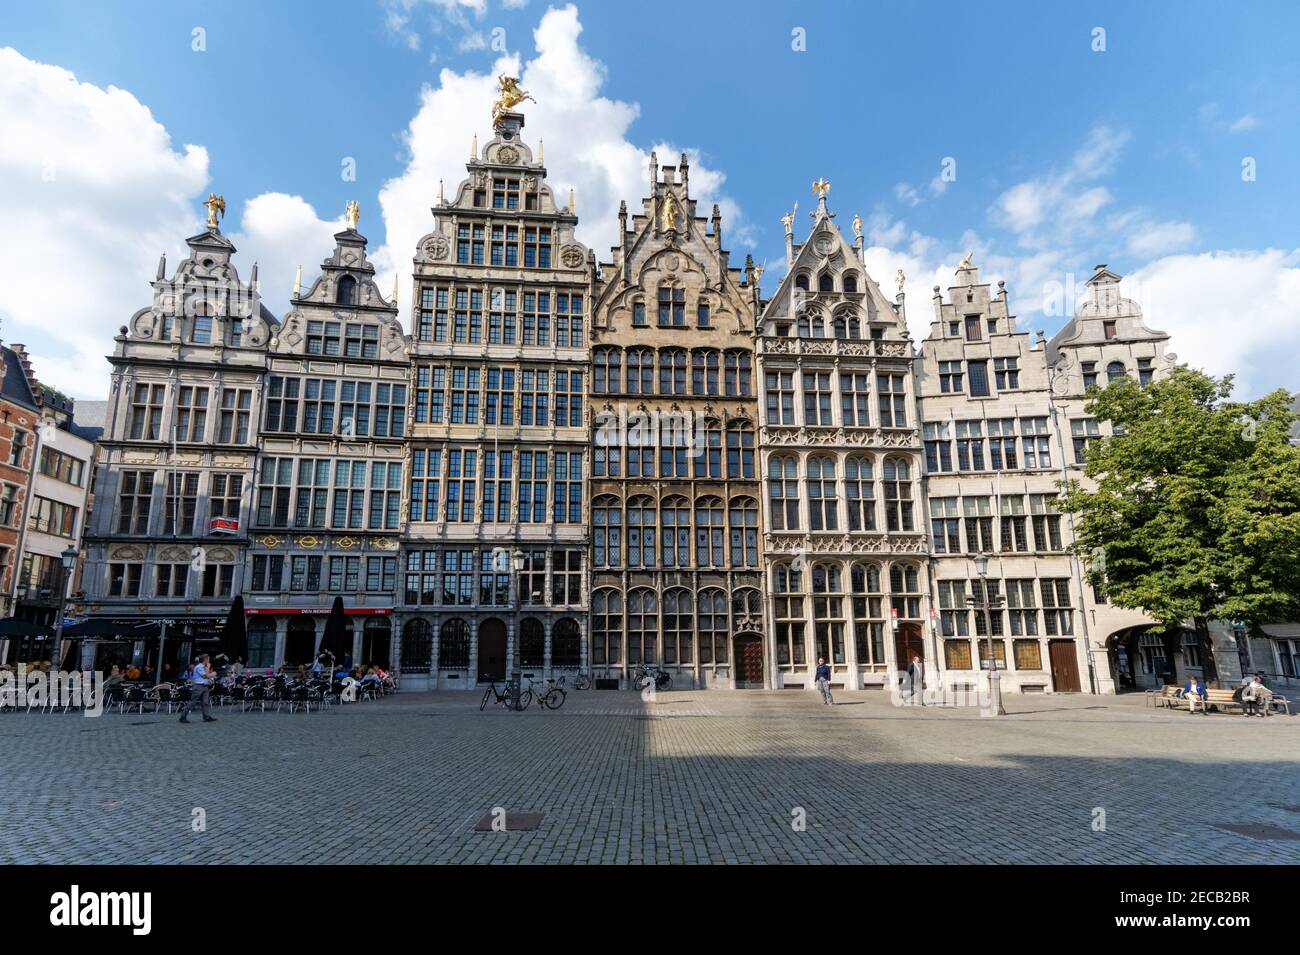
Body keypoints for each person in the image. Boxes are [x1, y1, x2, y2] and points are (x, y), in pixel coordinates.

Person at [178, 654, 216, 723]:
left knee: (205, 702)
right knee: (193, 702)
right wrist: (209, 670)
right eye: (208, 659)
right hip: (198, 686)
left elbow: (206, 676)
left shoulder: (203, 667)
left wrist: (210, 673)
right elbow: (205, 676)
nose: (209, 660)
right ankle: (182, 717)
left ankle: (206, 716)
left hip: (205, 686)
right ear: (205, 660)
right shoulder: (199, 667)